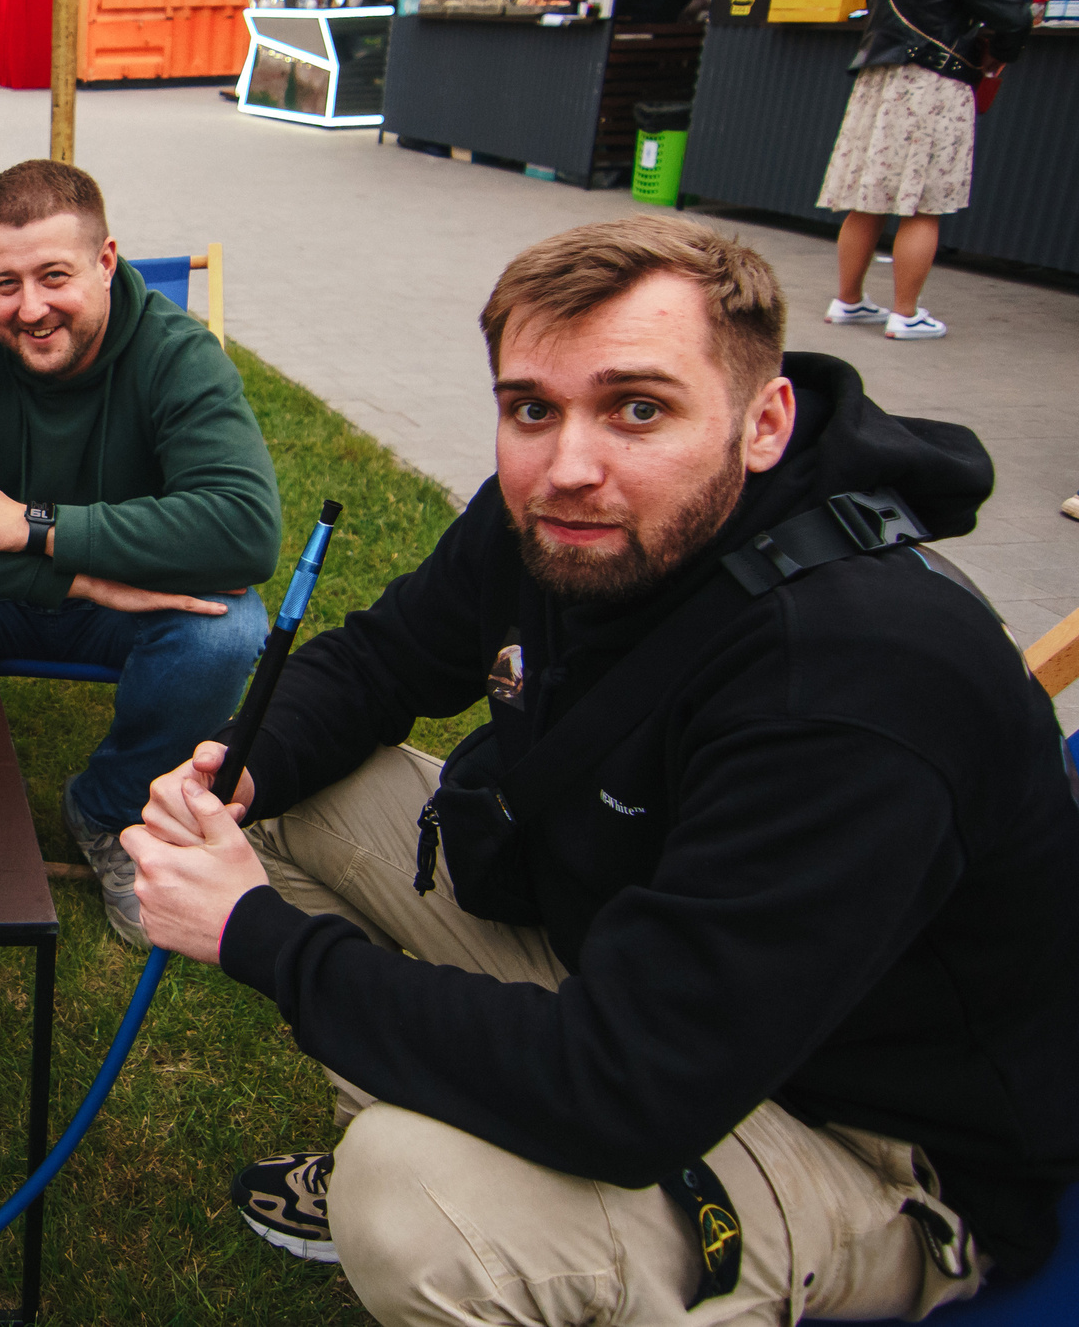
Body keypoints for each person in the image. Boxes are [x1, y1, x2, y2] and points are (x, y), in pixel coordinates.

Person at [123, 216, 1079, 1327]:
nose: (569, 466)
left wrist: (255, 935)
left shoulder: (858, 676)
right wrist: (243, 768)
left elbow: (630, 1089)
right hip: (655, 980)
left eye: (638, 408)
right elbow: (383, 659)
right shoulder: (558, 514)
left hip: (872, 1138)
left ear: (763, 421)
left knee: (408, 1199)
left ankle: (499, 1205)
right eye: (531, 407)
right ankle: (500, 1145)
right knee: (279, 801)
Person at [0, 160, 280, 947]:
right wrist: (81, 574)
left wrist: (32, 524)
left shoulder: (176, 354)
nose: (30, 308)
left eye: (55, 275)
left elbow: (245, 528)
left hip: (121, 605)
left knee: (224, 627)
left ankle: (111, 806)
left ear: (107, 261)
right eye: (5, 284)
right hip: (2, 598)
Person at [819, 0, 1032, 342]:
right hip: (930, 85)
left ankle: (848, 301)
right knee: (923, 204)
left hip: (879, 84)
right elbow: (1014, 17)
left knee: (869, 197)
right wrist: (998, 58)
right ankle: (905, 314)